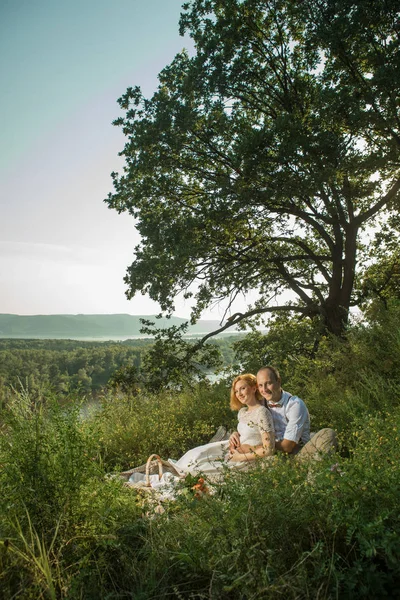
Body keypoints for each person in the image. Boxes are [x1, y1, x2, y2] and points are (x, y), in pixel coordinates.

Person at [168, 373, 275, 476]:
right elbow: (249, 431)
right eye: (236, 391)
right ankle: (175, 467)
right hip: (235, 449)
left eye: (242, 388)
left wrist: (240, 457)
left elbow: (268, 449)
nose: (239, 394)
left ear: (253, 388)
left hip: (248, 458)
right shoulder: (242, 412)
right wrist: (235, 434)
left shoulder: (262, 412)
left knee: (199, 468)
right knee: (196, 454)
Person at [229, 366, 337, 461]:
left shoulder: (295, 405)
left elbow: (287, 446)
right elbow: (251, 421)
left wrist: (255, 447)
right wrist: (236, 434)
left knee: (328, 433)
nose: (264, 389)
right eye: (261, 385)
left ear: (278, 381)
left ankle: (314, 470)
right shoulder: (263, 403)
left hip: (299, 452)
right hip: (276, 455)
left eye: (268, 383)